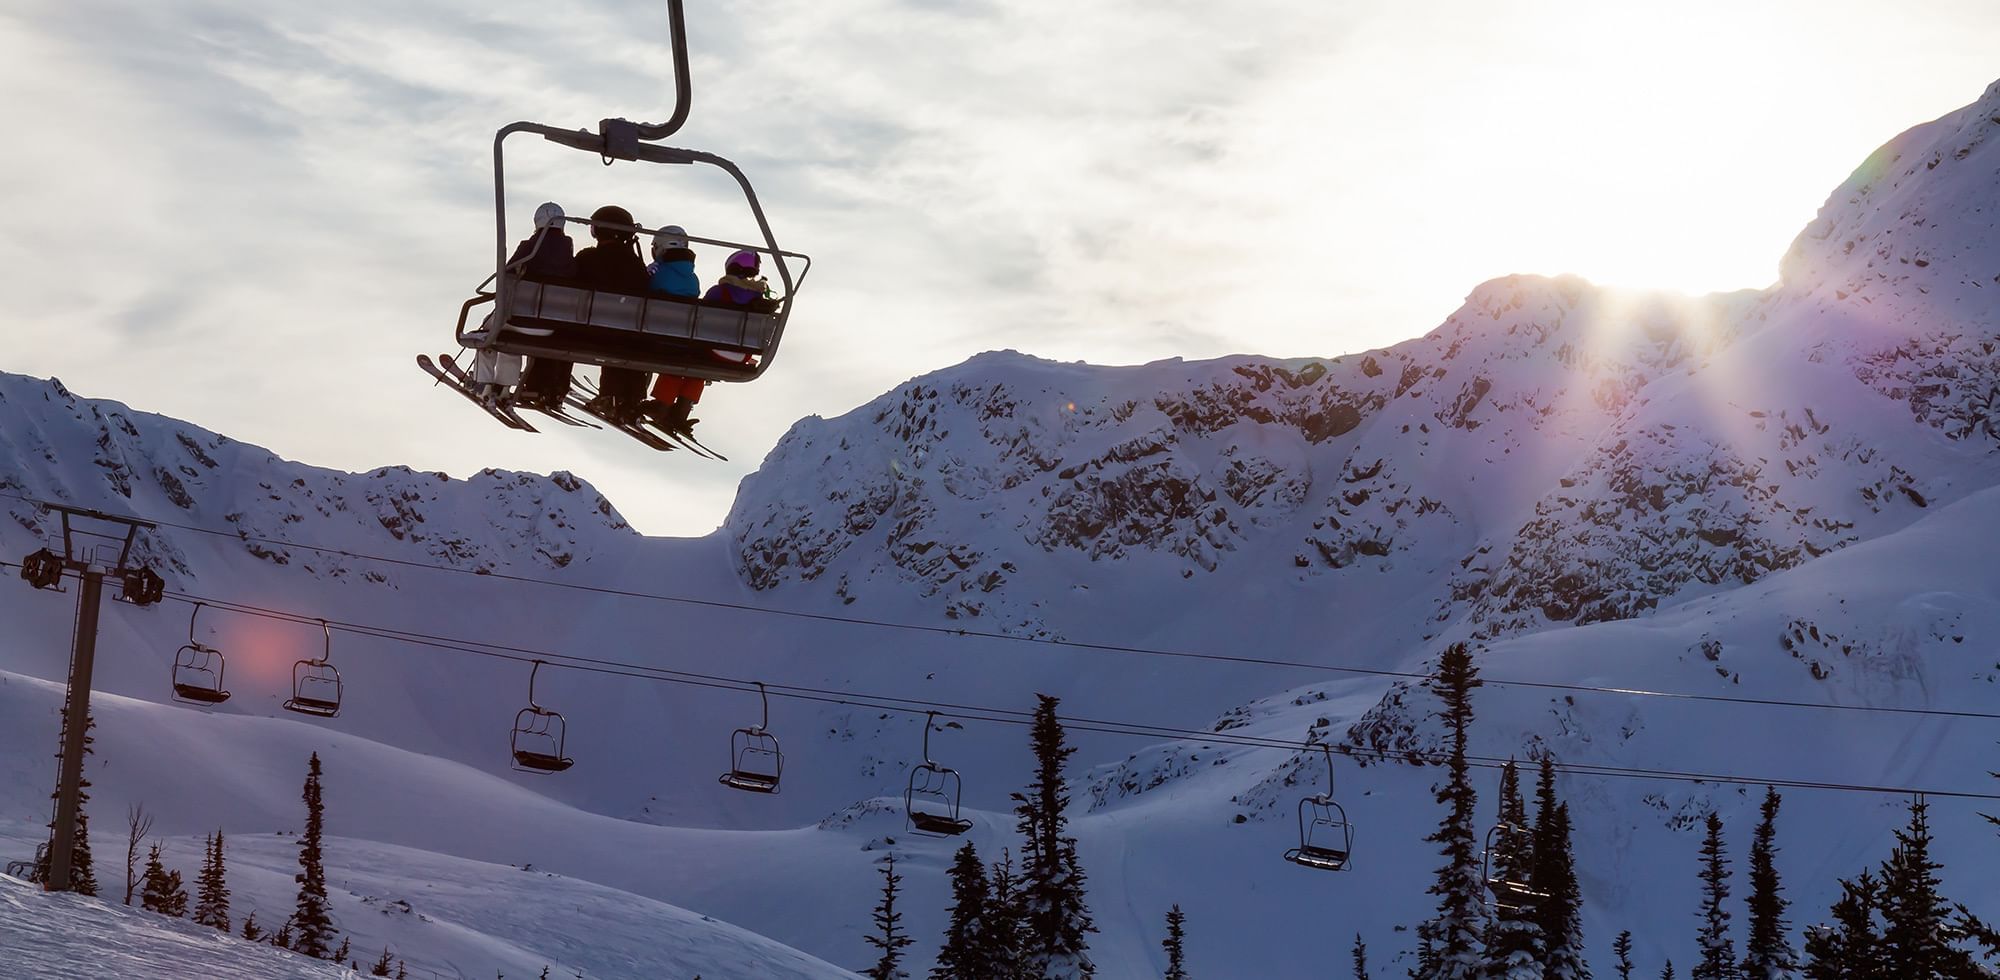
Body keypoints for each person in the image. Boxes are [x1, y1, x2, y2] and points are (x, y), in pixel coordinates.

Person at [639, 249, 776, 433]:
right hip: (741, 355)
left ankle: (662, 404)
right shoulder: (758, 300)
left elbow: (700, 319)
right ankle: (681, 411)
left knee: (682, 358)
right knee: (699, 369)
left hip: (712, 350)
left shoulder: (719, 292)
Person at [479, 203, 576, 405]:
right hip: (549, 327)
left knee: (489, 331)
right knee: (513, 337)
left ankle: (484, 381)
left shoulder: (528, 248)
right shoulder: (568, 254)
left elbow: (505, 278)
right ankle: (505, 387)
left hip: (519, 319)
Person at [570, 205, 653, 421]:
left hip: (589, 330)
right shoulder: (636, 265)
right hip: (629, 335)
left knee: (609, 332)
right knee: (626, 336)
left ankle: (608, 395)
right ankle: (631, 400)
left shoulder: (587, 258)